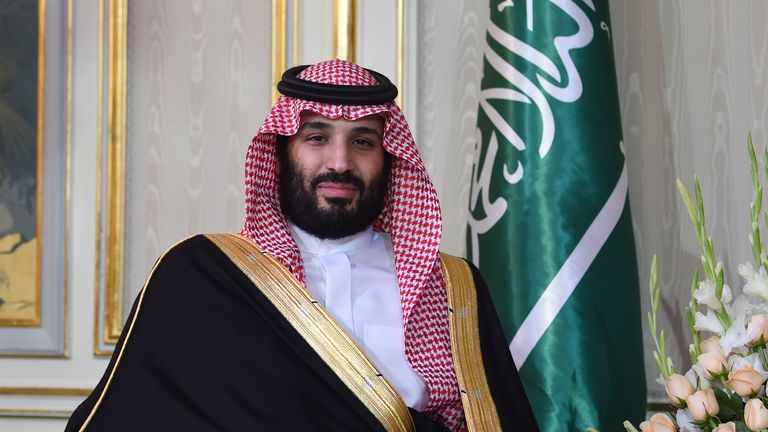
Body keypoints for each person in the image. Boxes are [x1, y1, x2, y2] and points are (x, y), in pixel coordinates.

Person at [65, 60, 538, 432]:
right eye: (316, 138)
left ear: (389, 159)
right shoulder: (201, 276)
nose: (340, 162)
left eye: (363, 142)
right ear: (281, 152)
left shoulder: (451, 286)